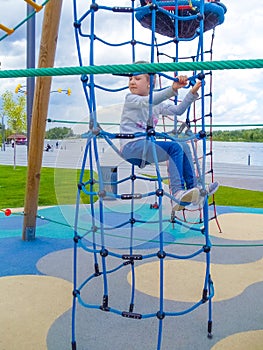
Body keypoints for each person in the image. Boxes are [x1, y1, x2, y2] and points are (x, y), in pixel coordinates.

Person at [120, 67, 218, 211]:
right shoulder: (131, 99)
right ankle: (177, 192)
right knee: (174, 148)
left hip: (146, 147)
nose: (132, 82)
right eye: (130, 79)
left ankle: (195, 189)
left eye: (137, 78)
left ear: (150, 83)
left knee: (183, 146)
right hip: (131, 147)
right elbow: (149, 101)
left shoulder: (157, 104)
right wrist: (172, 89)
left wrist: (192, 92)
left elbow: (178, 111)